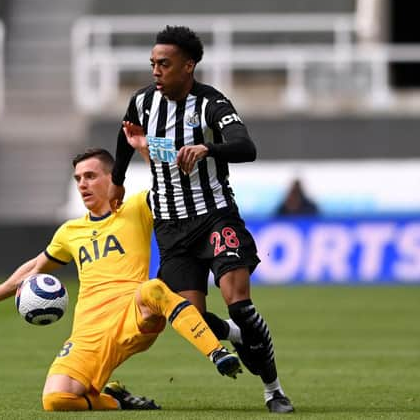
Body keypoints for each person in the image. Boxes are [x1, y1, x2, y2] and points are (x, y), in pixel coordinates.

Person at [0, 148, 241, 412]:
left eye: (90, 176)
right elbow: (34, 268)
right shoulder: (70, 231)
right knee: (56, 399)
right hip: (89, 331)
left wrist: (143, 149)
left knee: (154, 289)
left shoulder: (137, 207)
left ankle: (217, 353)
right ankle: (118, 400)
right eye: (78, 178)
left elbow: (172, 184)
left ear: (112, 177)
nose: (82, 184)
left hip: (134, 311)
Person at [108, 25, 294, 413]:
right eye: (152, 63)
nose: (156, 71)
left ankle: (273, 390)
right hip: (171, 227)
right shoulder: (143, 102)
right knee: (190, 319)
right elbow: (125, 138)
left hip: (214, 217)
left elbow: (247, 147)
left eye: (164, 63)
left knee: (238, 302)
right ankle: (238, 335)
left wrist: (208, 148)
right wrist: (117, 182)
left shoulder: (212, 104)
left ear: (188, 66)